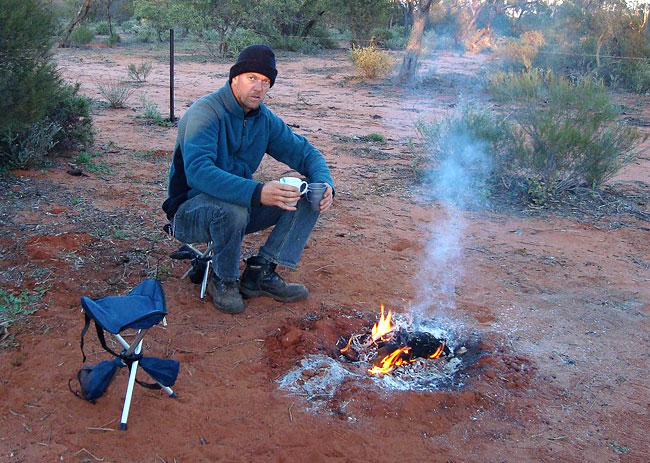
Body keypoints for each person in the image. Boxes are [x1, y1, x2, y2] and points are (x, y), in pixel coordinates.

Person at [162, 44, 334, 314]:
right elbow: (198, 172)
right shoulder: (205, 113)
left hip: (239, 209)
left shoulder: (264, 120)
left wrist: (325, 183)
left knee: (307, 194)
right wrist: (258, 192)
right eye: (251, 78)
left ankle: (260, 271)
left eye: (265, 81)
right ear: (234, 78)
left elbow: (306, 153)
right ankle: (224, 279)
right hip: (189, 211)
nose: (259, 87)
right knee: (232, 208)